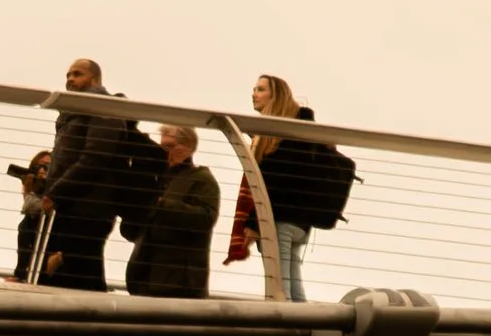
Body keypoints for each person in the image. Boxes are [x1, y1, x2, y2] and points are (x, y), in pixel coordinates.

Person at [225, 72, 354, 299]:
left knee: (280, 289)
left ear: (277, 96)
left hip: (281, 219)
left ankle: (289, 331)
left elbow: (275, 180)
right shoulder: (301, 132)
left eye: (261, 89)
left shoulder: (283, 136)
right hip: (300, 223)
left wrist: (255, 221)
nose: (254, 94)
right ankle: (303, 330)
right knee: (292, 286)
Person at [38, 55, 152, 291]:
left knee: (80, 273)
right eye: (68, 75)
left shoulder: (103, 107)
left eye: (77, 74)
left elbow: (95, 157)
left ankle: (96, 322)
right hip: (74, 205)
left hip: (90, 207)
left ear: (95, 79)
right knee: (73, 272)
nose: (70, 79)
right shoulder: (76, 110)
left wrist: (55, 193)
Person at [122, 122, 221, 297]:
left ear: (189, 147)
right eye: (161, 147)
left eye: (169, 146)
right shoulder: (158, 178)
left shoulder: (202, 178)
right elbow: (131, 232)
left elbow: (205, 219)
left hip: (181, 284)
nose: (164, 152)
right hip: (145, 280)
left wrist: (162, 204)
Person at [9, 150, 54, 283]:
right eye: (37, 167)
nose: (41, 170)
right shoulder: (33, 191)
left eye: (47, 166)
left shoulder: (57, 190)